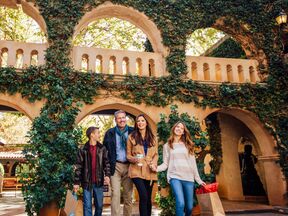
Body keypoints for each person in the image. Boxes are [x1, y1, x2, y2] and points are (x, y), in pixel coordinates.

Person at [154, 121, 206, 216]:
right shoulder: (167, 146)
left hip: (189, 178)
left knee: (189, 207)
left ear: (183, 132)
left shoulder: (188, 145)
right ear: (174, 129)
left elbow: (193, 163)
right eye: (177, 127)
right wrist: (155, 168)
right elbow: (165, 164)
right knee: (180, 203)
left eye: (182, 128)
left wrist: (198, 179)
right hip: (175, 177)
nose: (179, 129)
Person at [74, 126, 110, 216]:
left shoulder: (102, 148)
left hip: (99, 182)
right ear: (92, 135)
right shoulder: (82, 149)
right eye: (97, 133)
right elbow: (78, 166)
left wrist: (107, 175)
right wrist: (76, 182)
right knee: (87, 206)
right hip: (86, 182)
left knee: (99, 206)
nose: (99, 134)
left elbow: (107, 164)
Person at [103, 110, 134, 216]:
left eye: (123, 117)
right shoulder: (109, 133)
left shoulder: (133, 131)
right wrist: (105, 170)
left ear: (126, 118)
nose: (122, 120)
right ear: (115, 120)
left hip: (130, 166)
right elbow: (104, 151)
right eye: (119, 118)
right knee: (115, 194)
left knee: (128, 195)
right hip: (115, 166)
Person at [126, 114, 158, 216]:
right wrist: (134, 159)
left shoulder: (153, 138)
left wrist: (154, 164)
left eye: (142, 121)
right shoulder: (131, 137)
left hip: (149, 170)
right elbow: (128, 155)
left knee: (148, 197)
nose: (140, 123)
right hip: (136, 170)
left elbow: (156, 154)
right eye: (138, 121)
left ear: (146, 123)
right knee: (143, 196)